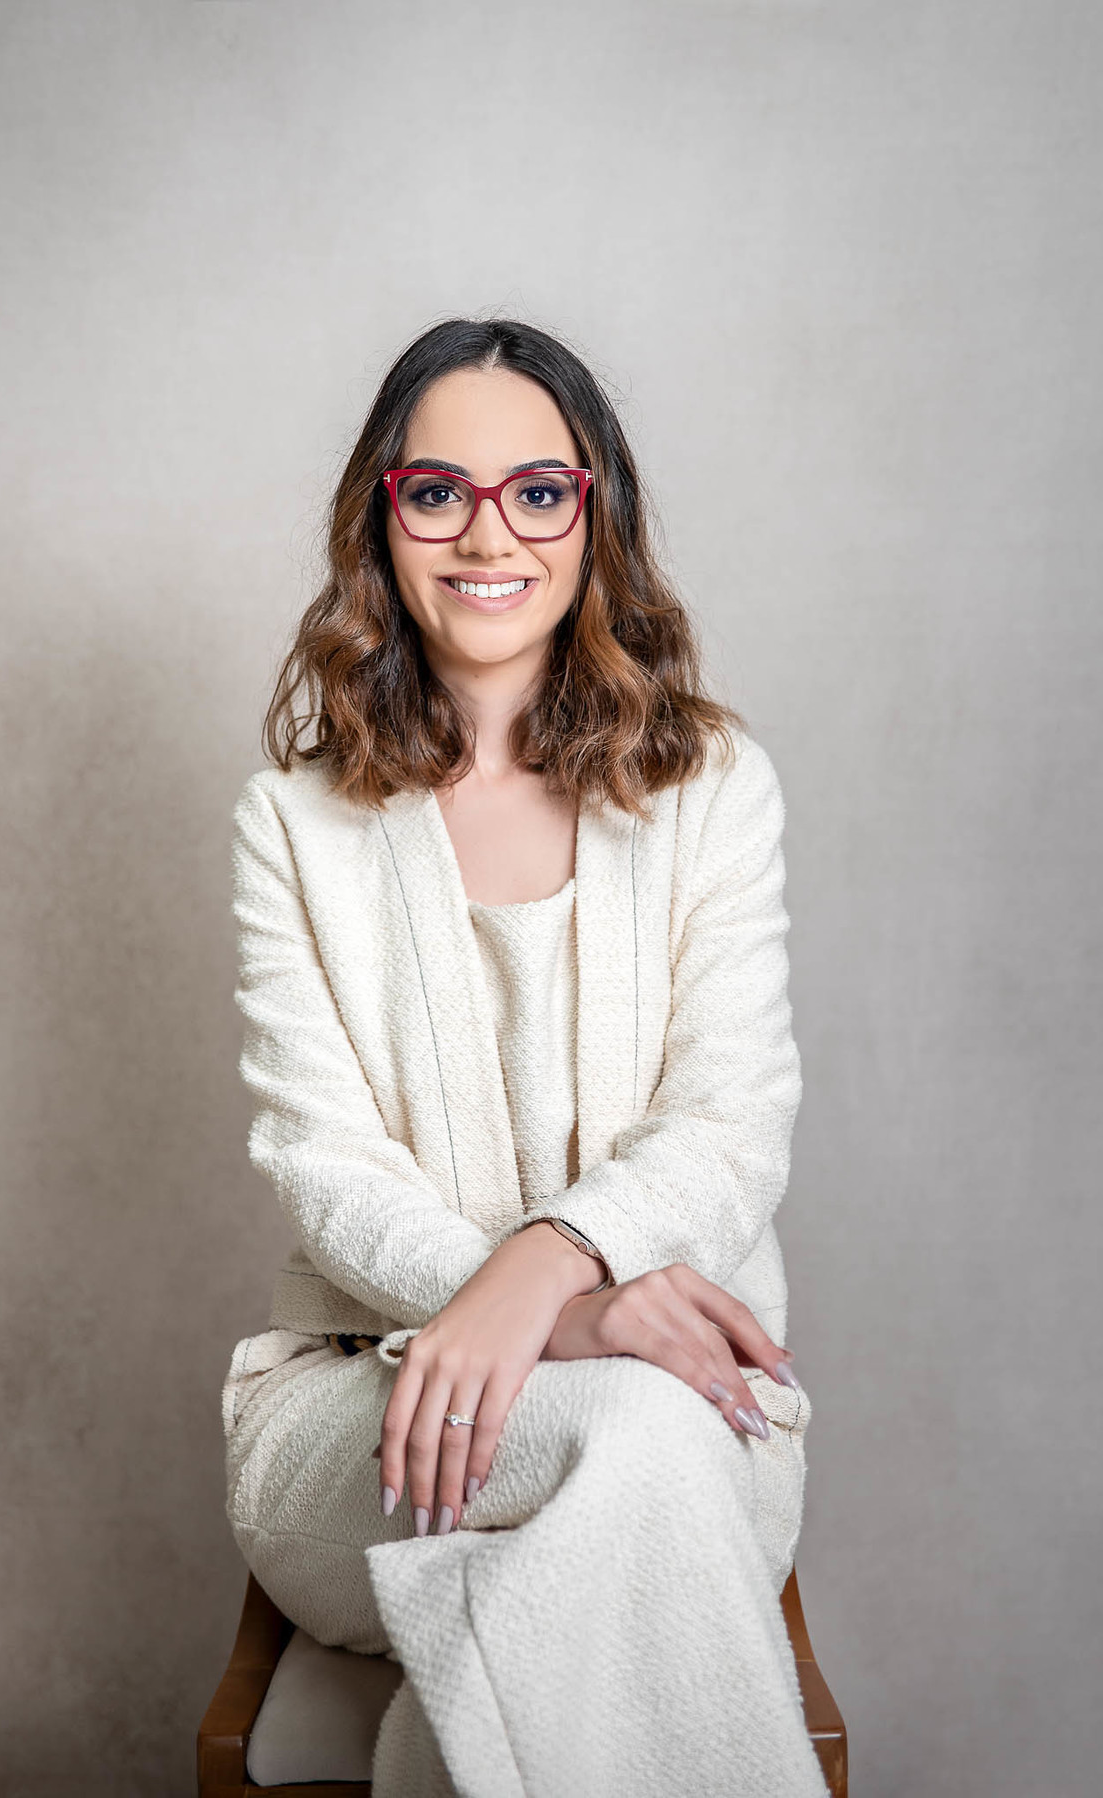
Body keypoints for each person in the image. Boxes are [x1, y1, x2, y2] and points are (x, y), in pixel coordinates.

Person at [221, 317, 829, 1797]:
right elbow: (323, 1161)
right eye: (439, 491)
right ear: (383, 517)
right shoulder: (292, 821)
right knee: (632, 1445)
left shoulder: (713, 786)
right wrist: (568, 1319)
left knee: (643, 1443)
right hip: (369, 1415)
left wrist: (548, 1267)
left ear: (593, 512)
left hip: (694, 1408)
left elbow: (732, 1119)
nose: (490, 535)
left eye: (538, 492)